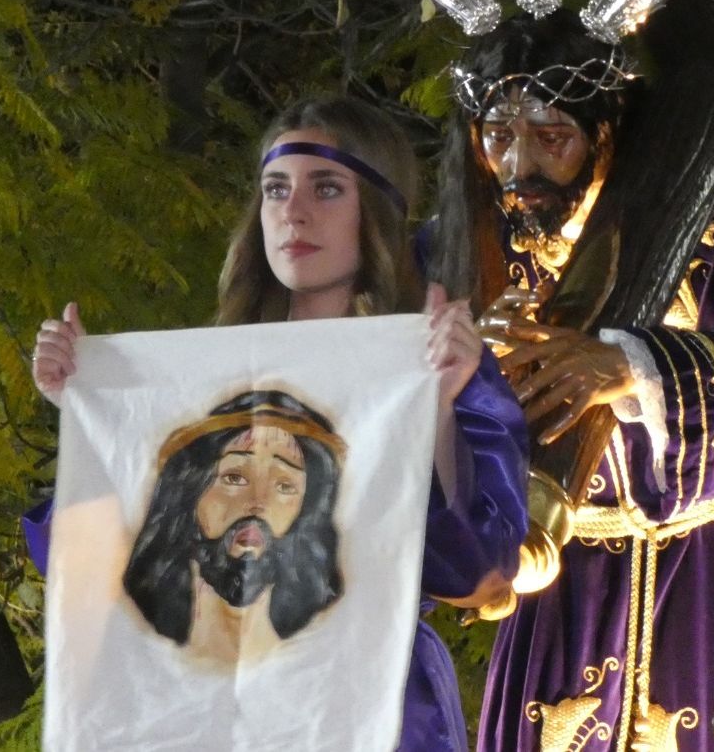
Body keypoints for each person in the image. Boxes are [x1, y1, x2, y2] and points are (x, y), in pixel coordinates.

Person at [26, 95, 529, 751]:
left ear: (375, 211)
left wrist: (436, 408)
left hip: (371, 704)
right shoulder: (206, 376)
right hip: (208, 711)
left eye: (325, 189)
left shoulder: (438, 357)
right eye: (275, 190)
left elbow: (479, 570)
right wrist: (91, 421)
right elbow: (97, 566)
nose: (293, 212)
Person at [433, 10, 714, 751]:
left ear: (605, 130)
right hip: (556, 578)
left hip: (713, 560)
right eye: (498, 138)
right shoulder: (457, 246)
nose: (519, 168)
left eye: (550, 138)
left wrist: (630, 367)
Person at [122, 389, 345, 665]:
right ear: (191, 491)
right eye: (235, 477)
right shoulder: (127, 643)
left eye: (285, 486)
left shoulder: (327, 658)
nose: (257, 503)